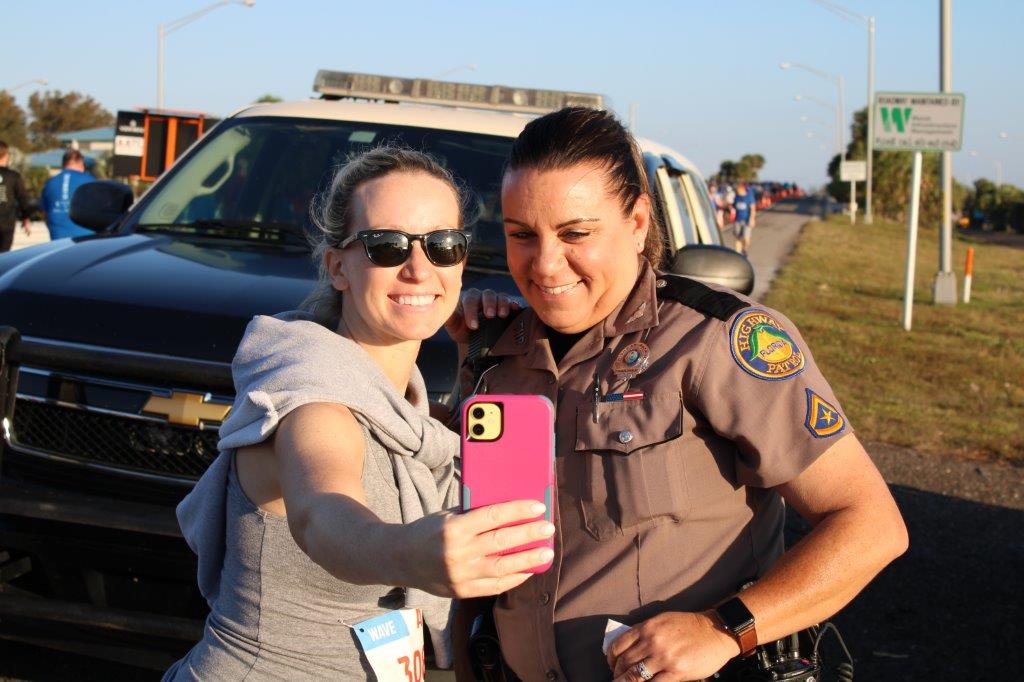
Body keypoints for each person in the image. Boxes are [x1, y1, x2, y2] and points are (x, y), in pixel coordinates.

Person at [447, 108, 908, 682]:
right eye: (521, 235)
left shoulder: (714, 340)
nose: (544, 264)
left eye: (576, 234)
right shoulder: (494, 353)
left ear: (638, 221)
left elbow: (871, 525)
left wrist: (725, 628)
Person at [165, 147, 553, 680]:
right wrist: (408, 552)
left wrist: (474, 362)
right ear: (337, 266)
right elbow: (322, 512)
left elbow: (445, 452)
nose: (420, 269)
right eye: (387, 246)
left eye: (444, 245)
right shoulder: (309, 398)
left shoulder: (407, 411)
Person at [39, 148, 94, 240]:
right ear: (80, 162)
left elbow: (45, 214)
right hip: (85, 241)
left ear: (64, 164)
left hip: (57, 240)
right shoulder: (89, 181)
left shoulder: (50, 183)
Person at [0, 140, 32, 253]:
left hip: (7, 223)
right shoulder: (14, 176)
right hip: (7, 224)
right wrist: (26, 218)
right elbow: (23, 198)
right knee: (4, 256)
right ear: (6, 155)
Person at [731, 181, 756, 255]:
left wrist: (752, 219)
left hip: (746, 221)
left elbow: (753, 209)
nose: (737, 191)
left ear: (742, 189)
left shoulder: (749, 197)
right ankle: (738, 254)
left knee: (746, 238)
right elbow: (734, 206)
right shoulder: (736, 197)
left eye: (738, 189)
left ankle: (744, 249)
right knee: (738, 237)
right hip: (737, 220)